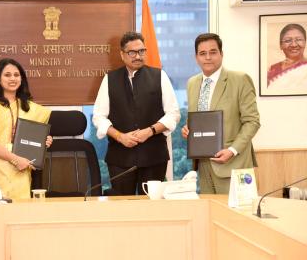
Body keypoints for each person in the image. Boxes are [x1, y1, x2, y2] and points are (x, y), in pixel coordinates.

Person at [92, 31, 180, 195]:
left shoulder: (159, 76)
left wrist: (150, 131)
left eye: (141, 51)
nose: (137, 56)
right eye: (132, 52)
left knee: (152, 210)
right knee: (123, 209)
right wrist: (120, 136)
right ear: (122, 54)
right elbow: (98, 116)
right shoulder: (110, 79)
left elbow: (173, 113)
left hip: (154, 157)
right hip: (120, 159)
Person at [182, 33, 260, 194]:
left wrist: (232, 150)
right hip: (203, 165)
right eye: (202, 53)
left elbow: (252, 121)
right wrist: (188, 129)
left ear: (221, 54)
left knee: (237, 217)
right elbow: (200, 118)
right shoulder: (192, 83)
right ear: (196, 57)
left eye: (213, 52)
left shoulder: (240, 79)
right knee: (210, 215)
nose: (208, 57)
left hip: (234, 164)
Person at [0, 58, 53, 199]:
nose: (12, 78)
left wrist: (43, 140)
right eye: (7, 75)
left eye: (16, 75)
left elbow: (32, 139)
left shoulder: (28, 107)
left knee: (19, 214)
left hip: (19, 170)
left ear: (21, 79)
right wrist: (15, 159)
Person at [267, 23, 307, 92]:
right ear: (281, 45)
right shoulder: (272, 69)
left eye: (298, 39)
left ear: (305, 42)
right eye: (288, 40)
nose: (294, 45)